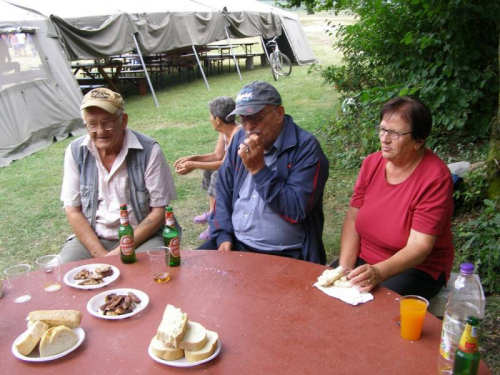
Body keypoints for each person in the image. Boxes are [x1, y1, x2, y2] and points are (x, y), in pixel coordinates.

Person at [333, 96, 454, 300]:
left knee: (374, 307)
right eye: (383, 129)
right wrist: (344, 268)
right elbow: (353, 219)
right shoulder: (372, 164)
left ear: (419, 141)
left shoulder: (435, 178)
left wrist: (378, 273)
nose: (384, 139)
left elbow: (419, 246)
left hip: (415, 268)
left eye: (396, 133)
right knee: (327, 294)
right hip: (366, 259)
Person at [199, 81, 329, 264]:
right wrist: (223, 235)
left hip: (283, 254)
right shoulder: (239, 139)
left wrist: (258, 169)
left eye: (257, 117)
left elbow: (296, 209)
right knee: (188, 275)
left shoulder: (306, 148)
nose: (249, 126)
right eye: (243, 119)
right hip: (235, 243)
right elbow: (223, 191)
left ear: (279, 114)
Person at [59, 88, 177, 263]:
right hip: (95, 236)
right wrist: (100, 255)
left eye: (107, 122)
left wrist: (118, 253)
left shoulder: (149, 150)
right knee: (66, 271)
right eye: (92, 124)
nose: (100, 131)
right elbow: (73, 210)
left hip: (142, 236)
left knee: (147, 272)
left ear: (124, 120)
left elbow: (159, 211)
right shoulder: (76, 151)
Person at [174, 97, 240, 240]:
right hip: (230, 168)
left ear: (217, 119)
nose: (209, 118)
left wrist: (194, 165)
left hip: (241, 173)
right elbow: (217, 155)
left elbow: (224, 164)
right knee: (209, 170)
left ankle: (214, 223)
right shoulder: (224, 131)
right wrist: (193, 158)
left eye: (210, 115)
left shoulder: (237, 133)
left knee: (218, 174)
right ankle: (212, 212)